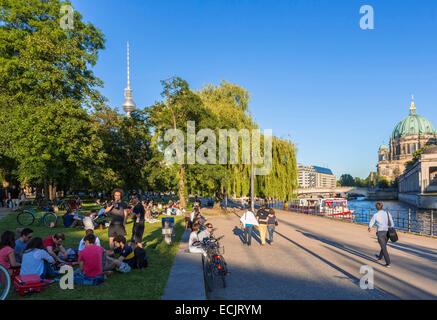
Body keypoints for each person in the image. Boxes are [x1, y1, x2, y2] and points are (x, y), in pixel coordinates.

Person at [368, 202, 395, 267]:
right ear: (382, 207)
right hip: (388, 232)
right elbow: (392, 222)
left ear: (376, 207)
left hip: (380, 233)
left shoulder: (375, 215)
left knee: (384, 247)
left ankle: (388, 263)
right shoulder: (387, 213)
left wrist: (369, 227)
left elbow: (372, 222)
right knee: (384, 246)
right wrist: (391, 228)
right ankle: (380, 257)